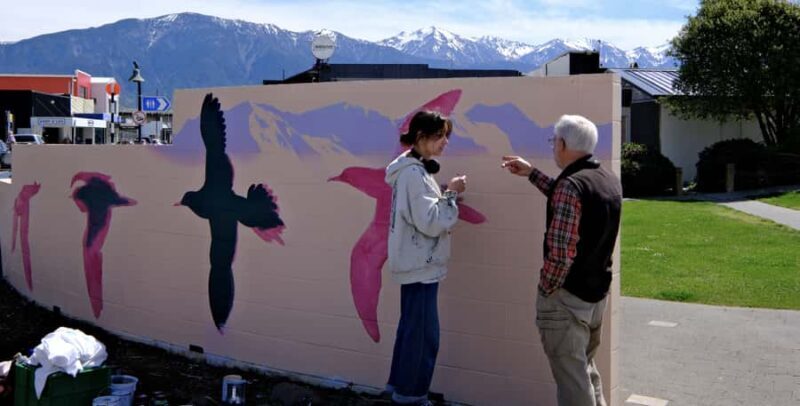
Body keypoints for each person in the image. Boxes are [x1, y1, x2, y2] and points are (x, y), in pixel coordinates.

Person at [501, 115, 622, 406]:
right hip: (595, 296)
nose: (553, 146)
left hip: (566, 298)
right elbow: (571, 201)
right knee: (584, 371)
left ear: (564, 144)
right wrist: (532, 173)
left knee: (572, 382)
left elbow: (561, 252)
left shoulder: (571, 186)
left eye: (554, 141)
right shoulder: (606, 179)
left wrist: (547, 289)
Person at [384, 110, 467, 406]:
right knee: (422, 338)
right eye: (439, 136)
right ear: (420, 138)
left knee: (413, 331)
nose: (445, 142)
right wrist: (452, 194)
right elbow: (431, 221)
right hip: (420, 267)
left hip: (416, 265)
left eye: (447, 136)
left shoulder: (413, 172)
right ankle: (410, 396)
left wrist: (444, 195)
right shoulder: (414, 175)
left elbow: (422, 215)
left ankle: (401, 389)